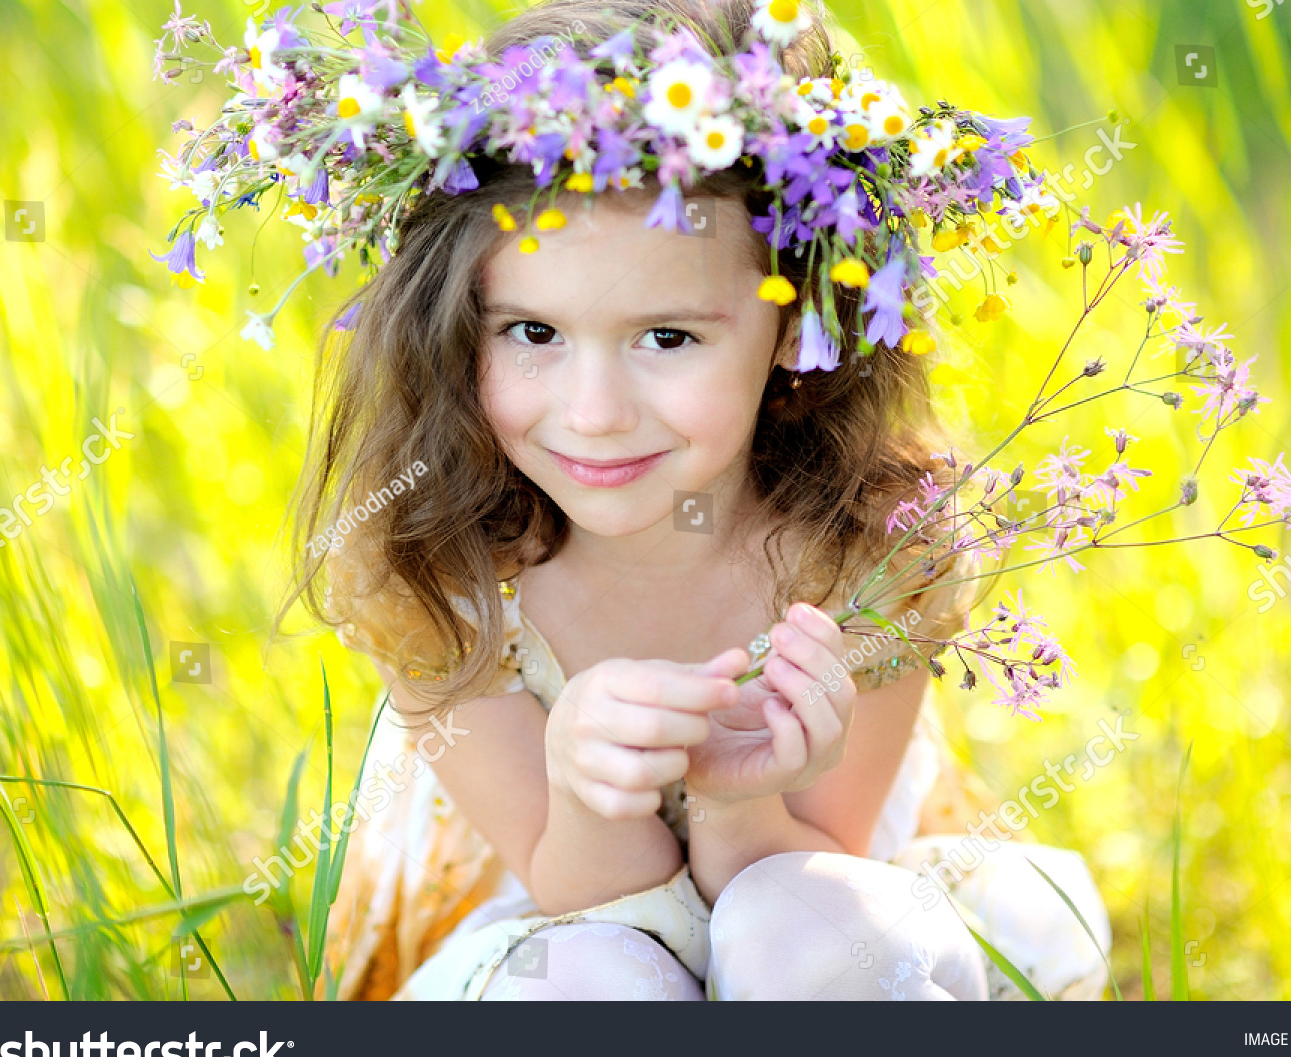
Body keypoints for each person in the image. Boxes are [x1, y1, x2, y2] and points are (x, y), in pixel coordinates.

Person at [281, 0, 1111, 1000]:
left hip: (813, 893)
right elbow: (581, 894)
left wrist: (735, 799)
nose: (591, 416)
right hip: (571, 915)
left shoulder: (881, 538)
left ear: (794, 322)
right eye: (532, 334)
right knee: (588, 984)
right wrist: (589, 794)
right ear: (460, 326)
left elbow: (812, 869)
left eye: (667, 339)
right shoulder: (435, 568)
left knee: (790, 932)